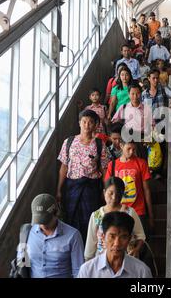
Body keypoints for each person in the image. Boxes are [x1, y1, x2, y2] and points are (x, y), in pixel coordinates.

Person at [57, 110, 105, 242]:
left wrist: (105, 190)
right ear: (79, 123)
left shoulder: (100, 144)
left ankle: (88, 252)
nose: (87, 125)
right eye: (84, 121)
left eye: (90, 122)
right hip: (71, 187)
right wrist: (58, 190)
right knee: (70, 219)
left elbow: (104, 169)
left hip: (91, 188)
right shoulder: (69, 142)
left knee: (90, 221)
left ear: (95, 125)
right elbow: (63, 167)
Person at [85, 177, 146, 261]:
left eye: (118, 194)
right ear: (104, 192)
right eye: (110, 193)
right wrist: (88, 261)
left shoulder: (130, 212)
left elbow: (141, 236)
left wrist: (136, 250)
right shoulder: (96, 215)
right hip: (101, 260)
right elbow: (91, 242)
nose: (114, 198)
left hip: (126, 259)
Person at [24, 194, 84, 278]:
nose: (42, 224)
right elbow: (24, 263)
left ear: (56, 212)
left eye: (46, 220)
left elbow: (79, 271)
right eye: (39, 221)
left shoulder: (73, 236)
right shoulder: (28, 232)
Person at [77, 211, 152, 278]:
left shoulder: (142, 272)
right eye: (112, 236)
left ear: (129, 239)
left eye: (123, 237)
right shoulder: (87, 271)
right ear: (103, 237)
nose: (117, 243)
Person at [104, 140, 154, 236]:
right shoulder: (112, 165)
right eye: (129, 149)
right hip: (118, 210)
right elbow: (108, 190)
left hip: (138, 210)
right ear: (121, 146)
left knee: (140, 241)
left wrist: (151, 215)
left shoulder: (141, 163)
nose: (131, 152)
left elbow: (146, 190)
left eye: (133, 149)